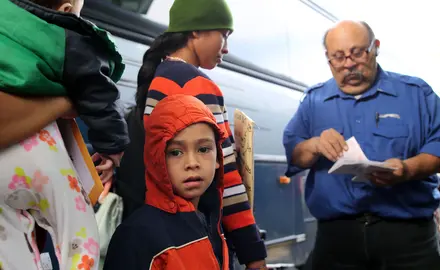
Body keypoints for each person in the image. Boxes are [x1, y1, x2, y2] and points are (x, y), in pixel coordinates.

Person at [119, 0, 267, 268]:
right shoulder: (194, 83)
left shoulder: (161, 77)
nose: (227, 47)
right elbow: (229, 177)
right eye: (224, 35)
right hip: (197, 233)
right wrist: (253, 252)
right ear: (196, 31)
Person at [283, 20, 440, 270]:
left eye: (357, 53)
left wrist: (407, 169)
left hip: (408, 240)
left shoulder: (417, 94)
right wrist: (313, 145)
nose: (348, 63)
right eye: (338, 57)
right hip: (336, 241)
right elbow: (295, 155)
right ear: (328, 58)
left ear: (375, 47)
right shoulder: (313, 101)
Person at [0, 0, 127, 268]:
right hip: (37, 149)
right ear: (67, 10)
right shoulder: (67, 38)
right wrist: (113, 149)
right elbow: (101, 96)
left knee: (9, 235)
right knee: (78, 232)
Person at [104, 94, 229, 269]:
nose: (192, 163)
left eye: (203, 149)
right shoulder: (136, 236)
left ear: (218, 158)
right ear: (156, 160)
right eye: (175, 152)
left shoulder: (212, 220)